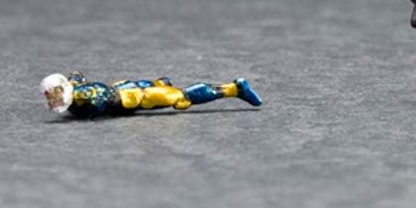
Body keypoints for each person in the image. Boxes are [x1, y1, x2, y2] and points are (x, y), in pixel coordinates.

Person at [40, 71, 262, 118]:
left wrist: (78, 93)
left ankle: (234, 89)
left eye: (54, 95)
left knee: (181, 97)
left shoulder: (82, 99)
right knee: (159, 87)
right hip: (126, 90)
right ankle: (160, 83)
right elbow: (78, 75)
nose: (53, 100)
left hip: (135, 97)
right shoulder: (75, 98)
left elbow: (100, 102)